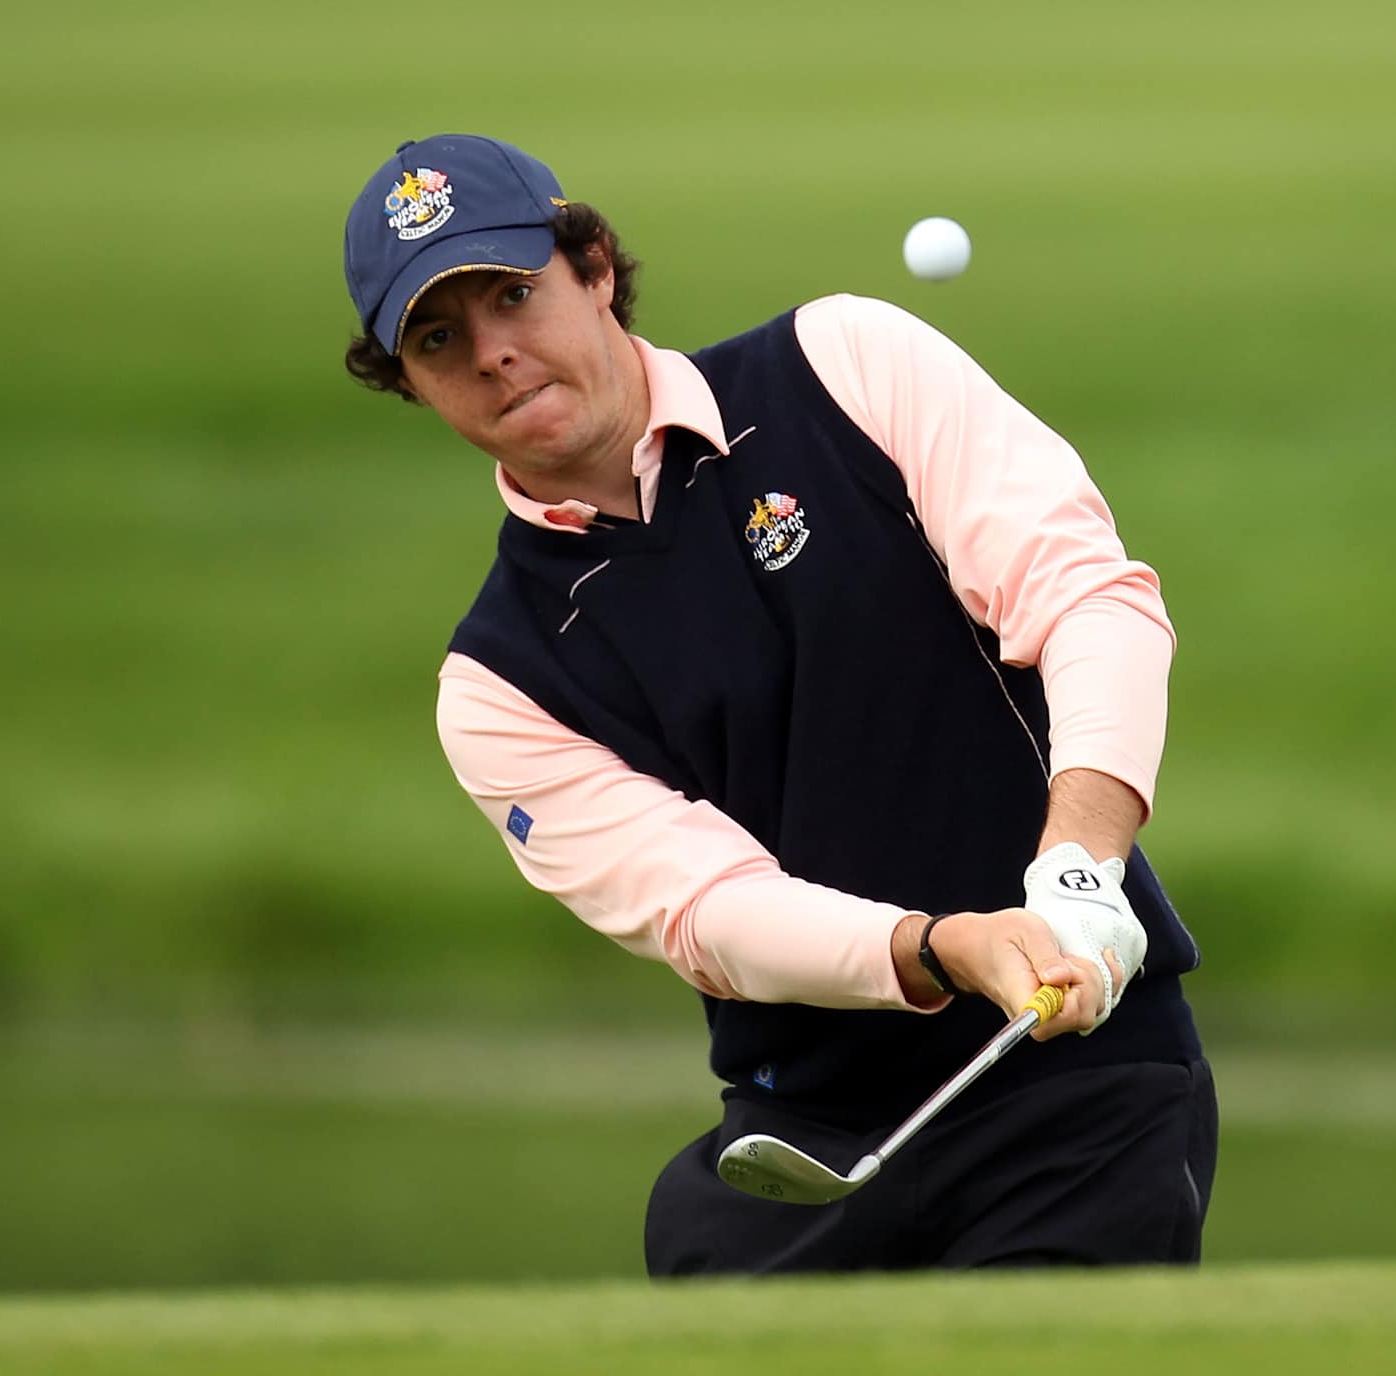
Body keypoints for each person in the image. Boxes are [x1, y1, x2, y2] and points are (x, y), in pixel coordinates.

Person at [342, 133, 1216, 1275]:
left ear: (595, 267)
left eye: (515, 294)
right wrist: (938, 946)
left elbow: (1088, 596)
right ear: (406, 381)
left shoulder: (846, 366)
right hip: (805, 1133)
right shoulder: (500, 682)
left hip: (1076, 1080)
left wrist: (1080, 869)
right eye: (439, 337)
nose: (496, 353)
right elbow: (709, 912)